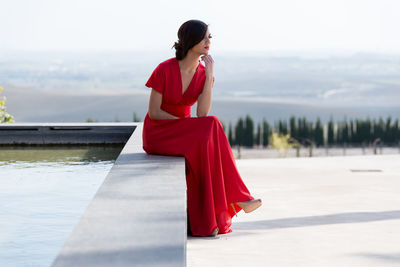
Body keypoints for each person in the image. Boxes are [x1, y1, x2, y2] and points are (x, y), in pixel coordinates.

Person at [142, 19, 262, 237]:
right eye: (204, 37)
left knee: (208, 137)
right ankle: (239, 197)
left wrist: (208, 76)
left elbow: (202, 113)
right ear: (191, 40)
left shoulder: (202, 74)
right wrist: (183, 124)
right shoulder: (165, 69)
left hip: (187, 132)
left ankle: (208, 222)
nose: (208, 41)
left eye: (210, 37)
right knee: (212, 126)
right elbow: (154, 112)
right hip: (159, 132)